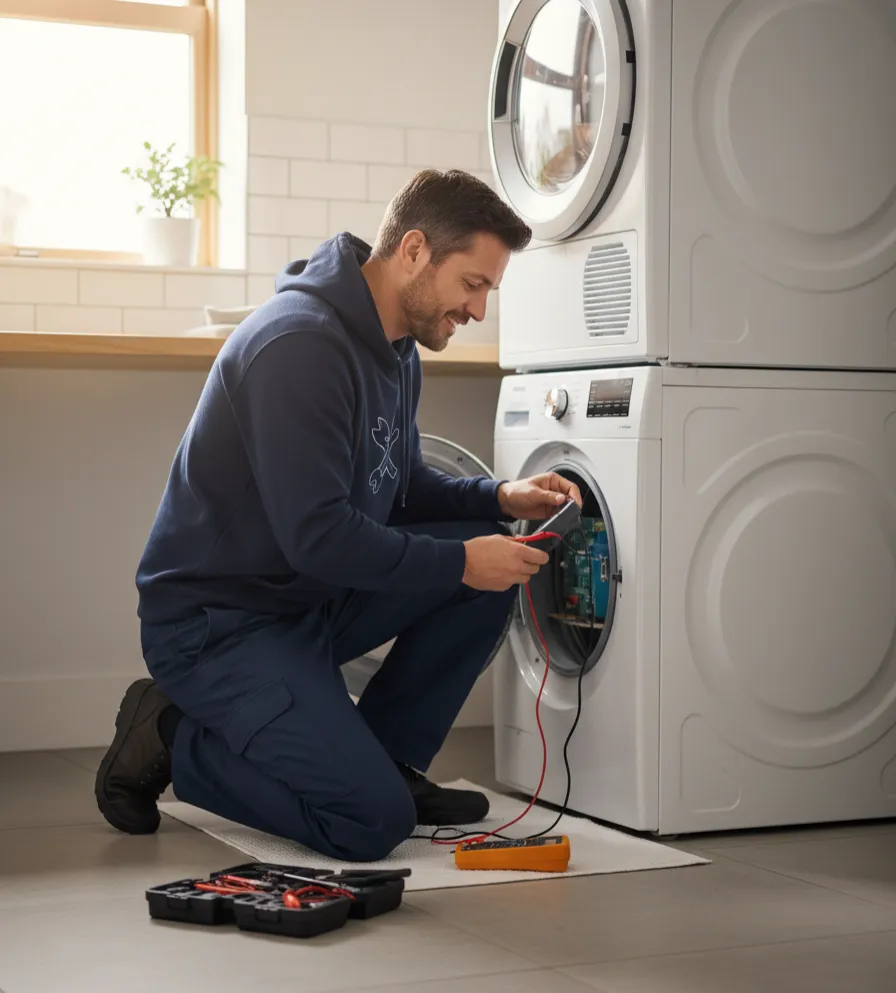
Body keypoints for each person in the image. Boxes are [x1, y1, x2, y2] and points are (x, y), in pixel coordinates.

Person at [94, 169, 581, 862]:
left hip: (306, 599)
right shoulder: (298, 346)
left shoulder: (397, 345)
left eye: (487, 292)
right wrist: (465, 561)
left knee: (484, 560)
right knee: (366, 822)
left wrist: (498, 499)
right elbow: (320, 536)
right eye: (472, 284)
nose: (478, 309)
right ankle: (174, 734)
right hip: (219, 627)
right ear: (414, 251)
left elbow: (399, 487)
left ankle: (389, 761)